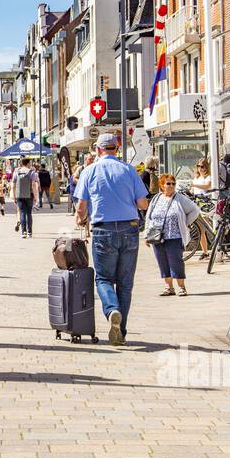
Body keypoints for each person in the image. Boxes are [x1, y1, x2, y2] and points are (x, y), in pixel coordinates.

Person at [73, 133, 149, 346]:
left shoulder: (89, 171)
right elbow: (143, 204)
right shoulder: (129, 170)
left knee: (104, 278)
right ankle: (121, 332)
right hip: (130, 229)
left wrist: (81, 220)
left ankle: (112, 310)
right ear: (117, 148)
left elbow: (81, 207)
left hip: (103, 230)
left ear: (98, 150)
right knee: (125, 284)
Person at [144, 174, 200, 296]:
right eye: (168, 183)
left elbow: (195, 210)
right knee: (162, 261)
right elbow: (149, 216)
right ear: (162, 185)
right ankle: (169, 287)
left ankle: (181, 287)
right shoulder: (156, 198)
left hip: (174, 236)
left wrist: (185, 222)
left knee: (176, 262)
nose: (171, 186)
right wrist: (147, 234)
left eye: (173, 184)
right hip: (157, 236)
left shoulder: (180, 198)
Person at [13, 158, 40, 238]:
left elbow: (13, 186)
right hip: (29, 195)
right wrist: (36, 196)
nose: (31, 164)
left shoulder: (16, 172)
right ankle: (29, 232)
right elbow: (33, 185)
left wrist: (14, 196)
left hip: (19, 195)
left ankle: (23, 232)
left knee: (22, 213)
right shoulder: (31, 172)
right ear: (28, 163)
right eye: (30, 163)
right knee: (29, 213)